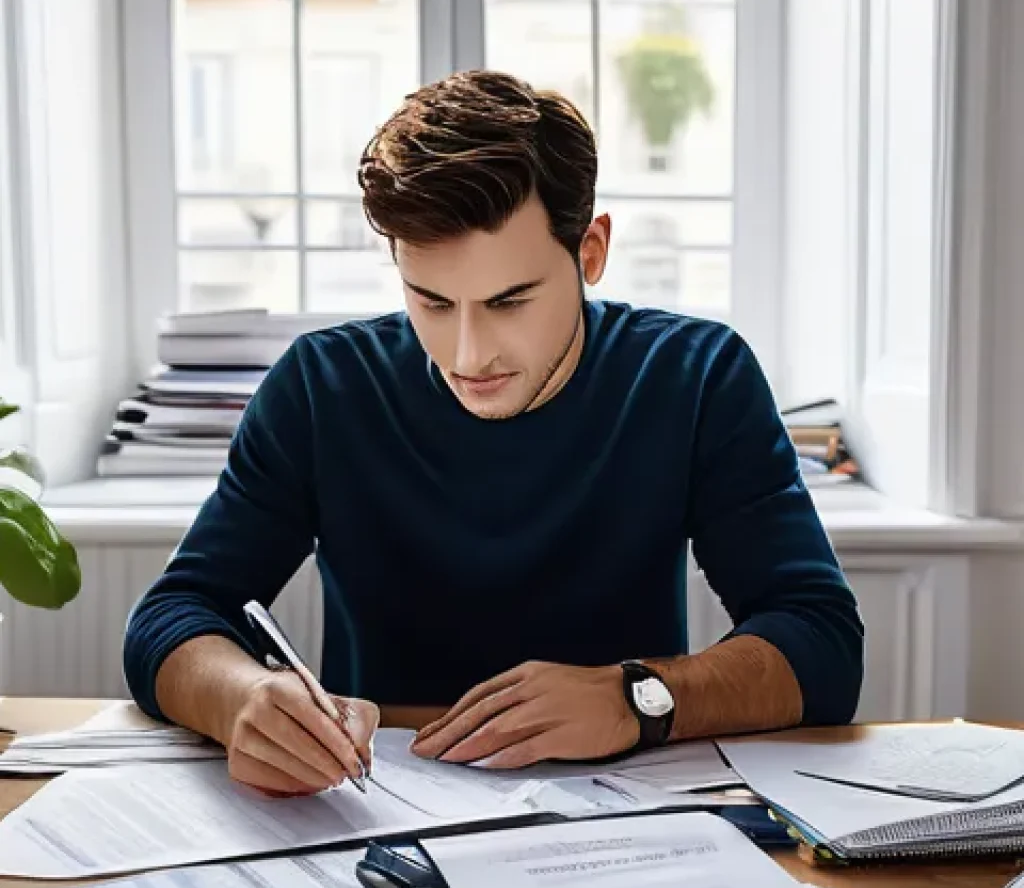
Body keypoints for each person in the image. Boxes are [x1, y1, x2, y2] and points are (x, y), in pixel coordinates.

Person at [123, 70, 863, 797]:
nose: (469, 355)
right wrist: (243, 698)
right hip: (375, 820)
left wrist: (637, 698)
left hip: (623, 823)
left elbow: (822, 644)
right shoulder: (322, 385)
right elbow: (172, 616)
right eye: (432, 301)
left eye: (510, 301)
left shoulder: (696, 376)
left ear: (591, 252)